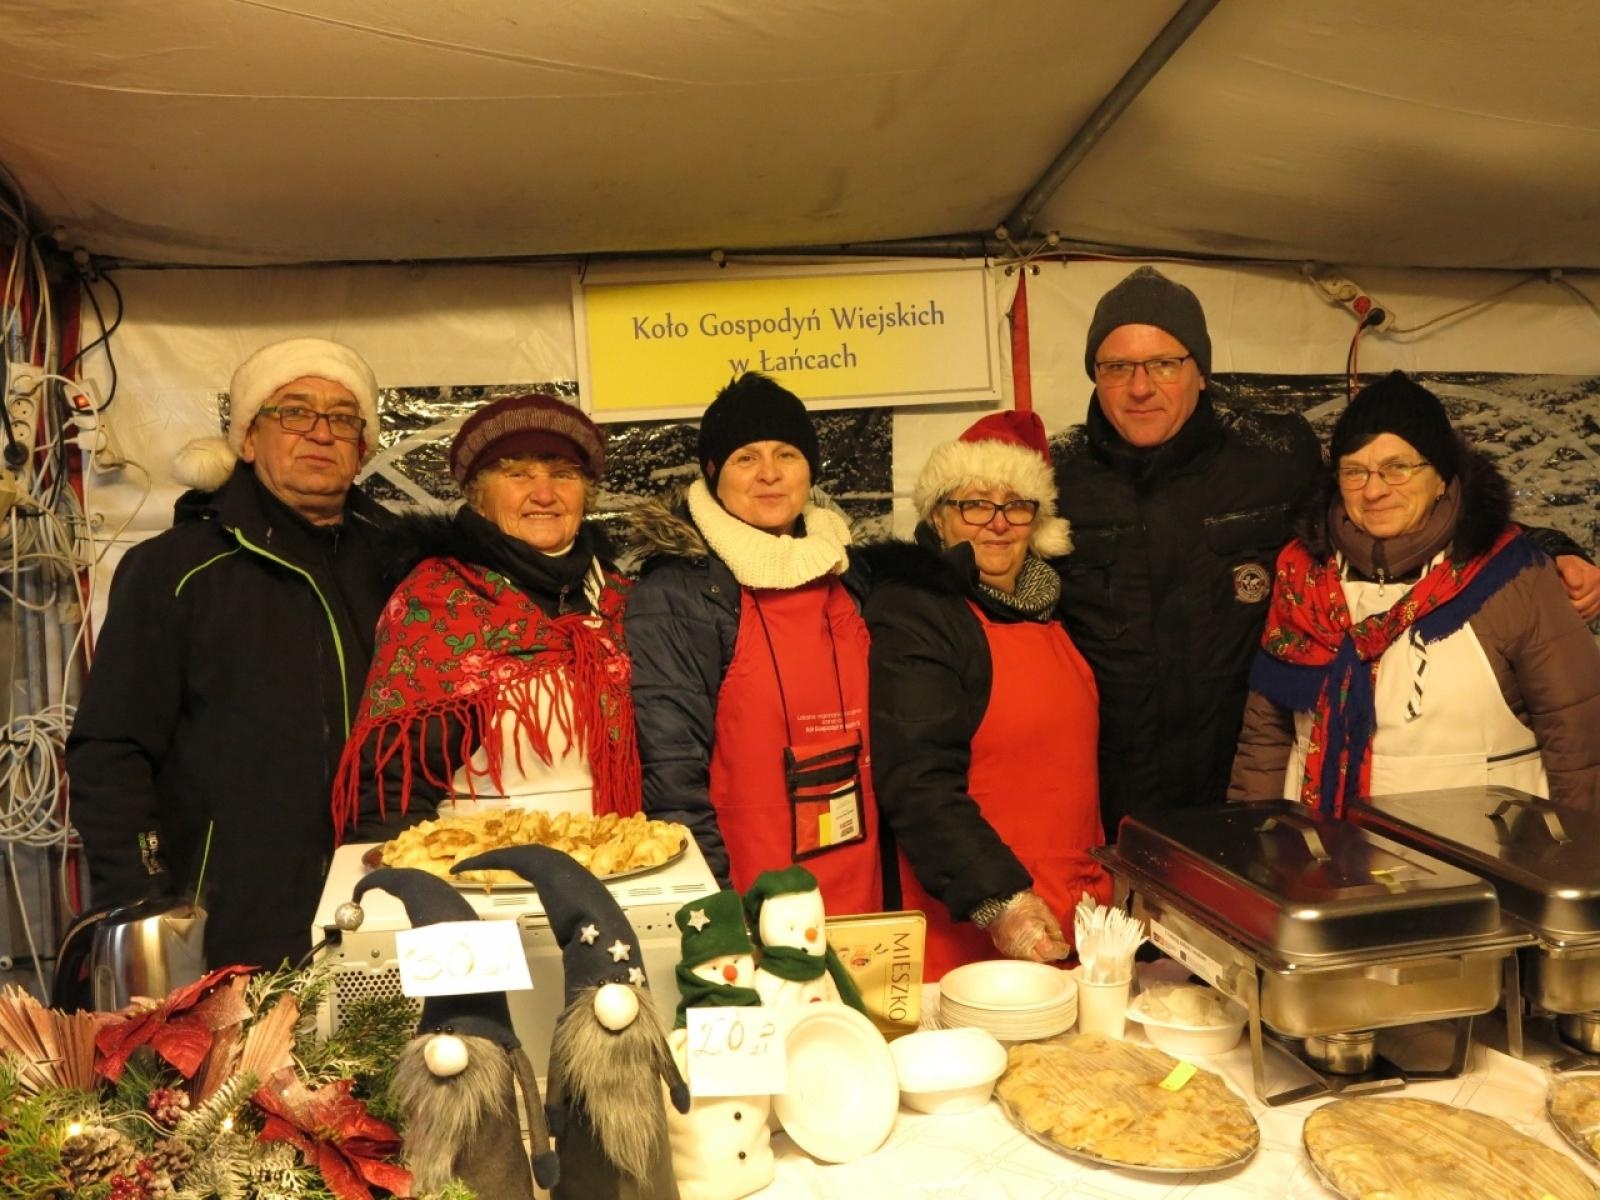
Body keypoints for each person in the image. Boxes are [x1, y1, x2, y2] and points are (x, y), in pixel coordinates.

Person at [1055, 266, 1600, 835]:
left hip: (1237, 770)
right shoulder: (1058, 476)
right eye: (1116, 367)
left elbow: (1400, 514)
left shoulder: (1270, 455)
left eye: (1164, 363)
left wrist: (1552, 547)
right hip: (1119, 788)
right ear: (1095, 374)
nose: (1140, 388)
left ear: (1201, 372)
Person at [68, 337, 390, 970]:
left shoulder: (403, 564)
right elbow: (111, 746)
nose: (320, 433)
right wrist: (145, 895)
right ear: (248, 438)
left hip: (388, 896)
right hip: (232, 916)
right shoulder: (174, 570)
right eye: (293, 412)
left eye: (342, 418)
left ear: (363, 445)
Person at [1230, 371, 1600, 812]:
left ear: (1441, 477)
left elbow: (1578, 740)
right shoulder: (1301, 578)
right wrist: (1253, 841)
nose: (1374, 490)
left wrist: (1578, 862)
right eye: (1355, 471)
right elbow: (1264, 739)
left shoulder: (1513, 576)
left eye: (1398, 468)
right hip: (1318, 859)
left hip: (1484, 859)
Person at [865, 410, 1111, 980]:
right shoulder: (918, 613)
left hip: (1070, 910)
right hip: (975, 926)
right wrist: (1001, 901)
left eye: (1016, 504)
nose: (997, 523)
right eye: (975, 503)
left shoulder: (1053, 608)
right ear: (939, 517)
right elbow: (916, 780)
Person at [625, 372, 882, 915]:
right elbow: (671, 774)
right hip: (748, 893)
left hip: (859, 878)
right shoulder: (679, 592)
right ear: (714, 473)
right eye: (746, 458)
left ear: (810, 470)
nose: (769, 474)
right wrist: (712, 908)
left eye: (786, 454)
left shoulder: (847, 570)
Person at [332, 393, 638, 839]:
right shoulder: (438, 601)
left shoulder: (621, 600)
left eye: (563, 475)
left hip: (622, 860)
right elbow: (391, 785)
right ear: (478, 495)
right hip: (480, 874)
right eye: (518, 475)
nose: (545, 494)